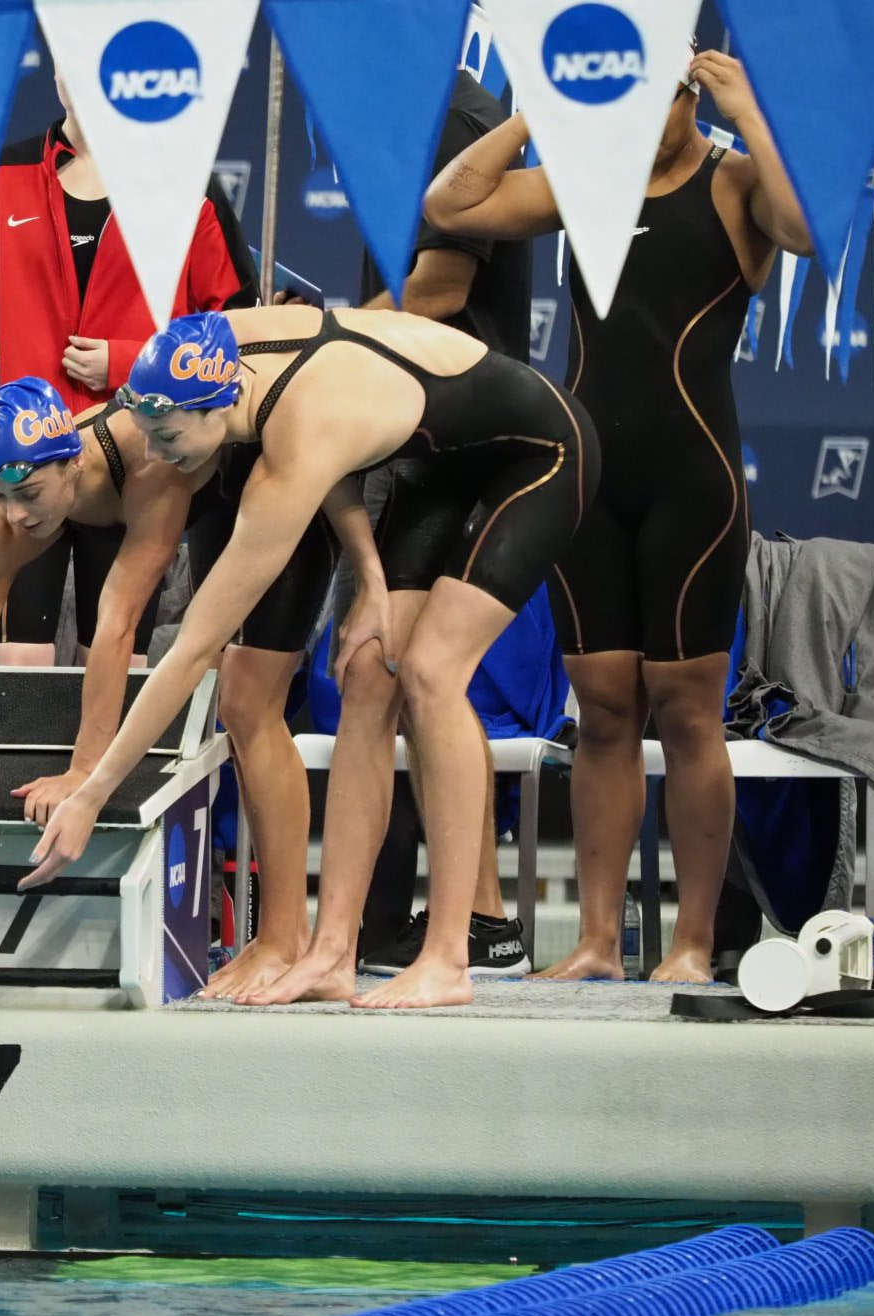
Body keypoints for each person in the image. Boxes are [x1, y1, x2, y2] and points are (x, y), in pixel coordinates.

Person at [25, 308, 596, 1011]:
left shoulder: (285, 456)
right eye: (149, 432)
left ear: (220, 403)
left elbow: (193, 648)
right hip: (433, 463)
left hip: (535, 453)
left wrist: (92, 794)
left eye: (170, 437)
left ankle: (450, 954)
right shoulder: (223, 345)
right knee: (365, 677)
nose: (158, 454)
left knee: (429, 674)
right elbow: (341, 441)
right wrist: (374, 583)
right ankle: (333, 953)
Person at [423, 47, 810, 984]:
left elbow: (803, 230)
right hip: (589, 477)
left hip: (694, 481)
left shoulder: (737, 183)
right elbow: (452, 206)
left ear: (690, 99)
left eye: (657, 102)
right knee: (600, 712)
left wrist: (749, 107)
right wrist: (537, 117)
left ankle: (688, 943)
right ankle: (599, 942)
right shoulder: (585, 183)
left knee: (686, 714)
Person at [0, 374, 365, 997]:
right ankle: (278, 940)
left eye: (28, 493)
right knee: (234, 698)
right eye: (2, 496)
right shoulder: (5, 514)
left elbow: (117, 628)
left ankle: (286, 938)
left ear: (71, 463)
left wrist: (84, 774)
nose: (17, 514)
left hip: (269, 483)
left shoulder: (147, 468)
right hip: (211, 504)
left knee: (248, 701)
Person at [0, 70, 256, 667]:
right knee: (16, 674)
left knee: (112, 661)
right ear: (57, 72)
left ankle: (97, 767)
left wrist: (134, 363)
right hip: (26, 466)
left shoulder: (184, 185)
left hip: (137, 466)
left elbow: (235, 332)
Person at [354, 66, 536, 977]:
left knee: (426, 673)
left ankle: (479, 918)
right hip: (417, 426)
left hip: (464, 432)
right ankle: (461, 916)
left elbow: (436, 295)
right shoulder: (394, 108)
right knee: (394, 678)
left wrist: (327, 339)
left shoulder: (458, 112)